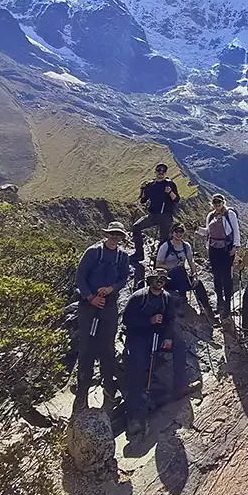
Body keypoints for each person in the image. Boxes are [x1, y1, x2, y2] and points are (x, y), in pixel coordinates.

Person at [121, 269, 188, 439]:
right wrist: (148, 321)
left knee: (180, 346)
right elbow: (127, 320)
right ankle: (134, 417)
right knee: (137, 371)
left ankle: (179, 387)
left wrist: (168, 337)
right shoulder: (138, 297)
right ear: (150, 280)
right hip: (138, 337)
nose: (160, 282)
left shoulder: (167, 298)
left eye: (163, 279)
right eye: (157, 279)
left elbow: (170, 319)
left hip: (158, 335)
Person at [73, 221, 131, 411]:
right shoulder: (93, 252)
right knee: (86, 349)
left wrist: (111, 288)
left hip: (109, 305)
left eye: (118, 235)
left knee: (107, 348)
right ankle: (82, 394)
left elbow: (124, 278)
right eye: (112, 234)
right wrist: (90, 297)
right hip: (89, 306)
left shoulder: (122, 256)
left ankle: (109, 391)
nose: (115, 238)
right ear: (107, 235)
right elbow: (80, 277)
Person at [133, 163, 180, 261]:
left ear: (166, 173)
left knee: (164, 239)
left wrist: (170, 192)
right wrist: (142, 191)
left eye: (163, 171)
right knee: (136, 227)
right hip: (152, 215)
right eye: (159, 171)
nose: (161, 173)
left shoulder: (170, 184)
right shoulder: (150, 185)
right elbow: (143, 200)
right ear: (155, 172)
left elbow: (176, 199)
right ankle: (139, 254)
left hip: (165, 216)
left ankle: (159, 259)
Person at [205, 194, 240, 321]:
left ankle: (227, 305)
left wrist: (235, 246)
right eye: (215, 202)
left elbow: (236, 230)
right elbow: (207, 231)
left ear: (223, 202)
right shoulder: (210, 216)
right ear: (212, 203)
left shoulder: (230, 214)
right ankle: (220, 300)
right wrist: (196, 229)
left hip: (226, 249)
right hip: (214, 249)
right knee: (216, 275)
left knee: (226, 276)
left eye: (219, 201)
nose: (217, 204)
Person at [154, 224, 197, 313]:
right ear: (172, 233)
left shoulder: (186, 246)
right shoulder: (165, 246)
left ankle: (208, 310)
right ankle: (182, 298)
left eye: (181, 231)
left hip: (181, 277)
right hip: (167, 278)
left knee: (198, 283)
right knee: (178, 270)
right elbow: (158, 265)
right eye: (176, 231)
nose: (178, 234)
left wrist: (195, 275)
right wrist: (173, 267)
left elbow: (191, 261)